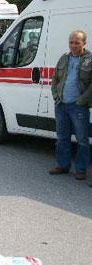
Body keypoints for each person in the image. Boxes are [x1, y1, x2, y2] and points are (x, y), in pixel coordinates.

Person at [49, 30, 92, 180]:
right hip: (61, 105)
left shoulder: (89, 59)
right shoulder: (64, 58)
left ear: (84, 43)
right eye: (71, 42)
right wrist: (55, 95)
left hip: (78, 106)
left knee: (82, 140)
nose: (73, 45)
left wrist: (82, 101)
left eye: (77, 42)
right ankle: (63, 165)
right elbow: (55, 79)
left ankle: (81, 169)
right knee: (62, 138)